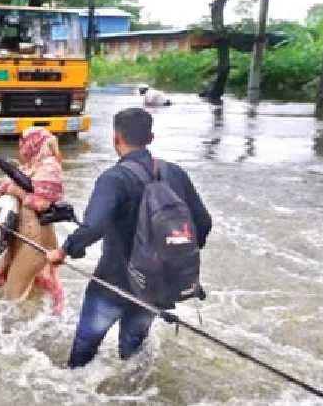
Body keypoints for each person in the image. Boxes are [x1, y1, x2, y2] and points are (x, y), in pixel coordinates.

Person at [46, 107, 211, 368]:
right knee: (132, 355)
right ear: (151, 138)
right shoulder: (175, 173)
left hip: (113, 282)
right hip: (154, 287)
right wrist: (170, 259)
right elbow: (203, 223)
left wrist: (63, 251)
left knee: (84, 350)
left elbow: (93, 227)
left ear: (116, 138)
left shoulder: (114, 178)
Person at [0, 126, 66, 311]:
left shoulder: (50, 168)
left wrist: (19, 193)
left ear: (34, 143)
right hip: (22, 234)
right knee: (19, 287)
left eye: (23, 142)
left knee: (13, 295)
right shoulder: (30, 165)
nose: (20, 146)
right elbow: (8, 184)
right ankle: (37, 316)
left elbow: (43, 205)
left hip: (36, 238)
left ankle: (19, 331)